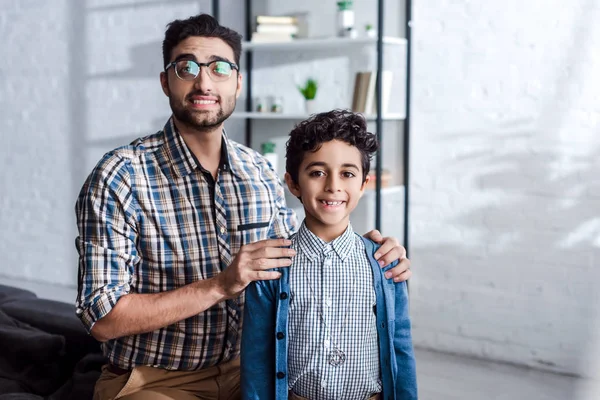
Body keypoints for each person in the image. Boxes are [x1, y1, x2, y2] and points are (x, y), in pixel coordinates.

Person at [75, 14, 412, 400]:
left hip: (253, 370)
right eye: (187, 67)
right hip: (157, 380)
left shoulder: (259, 170)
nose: (204, 82)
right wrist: (221, 284)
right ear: (166, 81)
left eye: (220, 68)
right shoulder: (119, 175)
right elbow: (101, 318)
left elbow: (295, 256)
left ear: (237, 81)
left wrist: (368, 253)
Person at [241, 109, 418, 400]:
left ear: (363, 185)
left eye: (347, 173)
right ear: (294, 183)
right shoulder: (270, 268)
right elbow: (257, 358)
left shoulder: (385, 263)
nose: (333, 185)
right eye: (317, 172)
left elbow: (401, 347)